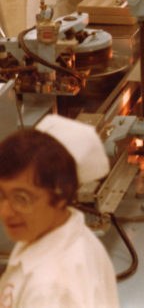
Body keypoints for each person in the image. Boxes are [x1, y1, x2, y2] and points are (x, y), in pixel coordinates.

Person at [0, 114, 119, 307]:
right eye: (1, 195)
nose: (5, 212)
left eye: (22, 199)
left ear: (62, 195)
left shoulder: (50, 291)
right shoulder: (53, 231)